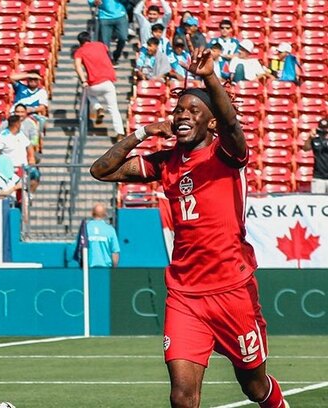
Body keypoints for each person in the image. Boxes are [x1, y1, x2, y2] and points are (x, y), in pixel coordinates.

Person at [90, 36, 289, 408]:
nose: (182, 115)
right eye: (178, 110)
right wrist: (143, 133)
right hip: (184, 294)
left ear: (210, 123)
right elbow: (102, 171)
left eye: (193, 111)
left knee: (253, 386)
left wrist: (211, 78)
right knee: (182, 395)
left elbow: (230, 121)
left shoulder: (227, 153)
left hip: (232, 288)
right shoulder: (165, 162)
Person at [74, 31, 125, 139]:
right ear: (89, 39)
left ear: (80, 42)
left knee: (87, 92)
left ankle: (98, 107)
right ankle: (120, 133)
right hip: (108, 82)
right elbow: (106, 51)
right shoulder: (100, 45)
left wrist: (83, 81)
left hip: (94, 84)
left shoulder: (80, 51)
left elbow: (78, 66)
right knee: (114, 109)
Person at [0, 115, 39, 193]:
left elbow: (29, 145)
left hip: (24, 166)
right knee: (16, 189)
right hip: (11, 168)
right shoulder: (2, 136)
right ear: (17, 124)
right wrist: (3, 164)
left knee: (36, 175)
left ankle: (30, 196)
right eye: (20, 122)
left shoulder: (20, 134)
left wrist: (31, 158)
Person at [87, 0, 128, 64]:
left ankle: (117, 54)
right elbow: (90, 2)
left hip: (120, 15)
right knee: (105, 43)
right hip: (104, 17)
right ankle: (109, 60)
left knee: (123, 37)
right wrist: (94, 2)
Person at [85, 203, 120, 268]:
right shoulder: (110, 230)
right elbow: (115, 252)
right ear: (105, 214)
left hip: (88, 269)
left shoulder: (85, 228)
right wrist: (114, 269)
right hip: (106, 269)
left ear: (92, 213)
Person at [302, 117, 328, 194]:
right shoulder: (315, 138)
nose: (324, 130)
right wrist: (310, 138)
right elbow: (305, 148)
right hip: (318, 176)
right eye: (322, 128)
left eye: (326, 128)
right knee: (318, 200)